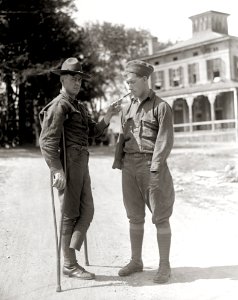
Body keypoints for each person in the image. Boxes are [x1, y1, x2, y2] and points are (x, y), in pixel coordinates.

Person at [39, 57, 119, 280]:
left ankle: (70, 254)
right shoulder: (59, 105)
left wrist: (108, 116)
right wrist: (57, 170)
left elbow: (93, 131)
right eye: (73, 78)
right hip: (68, 163)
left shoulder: (78, 106)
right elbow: (47, 142)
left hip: (82, 162)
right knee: (69, 214)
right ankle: (69, 263)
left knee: (88, 210)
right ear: (62, 79)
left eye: (80, 79)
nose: (77, 82)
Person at [112, 60, 175, 284]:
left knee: (160, 217)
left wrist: (155, 168)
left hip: (151, 166)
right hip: (129, 167)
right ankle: (136, 260)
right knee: (134, 216)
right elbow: (119, 137)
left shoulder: (161, 107)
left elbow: (165, 141)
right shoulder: (125, 107)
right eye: (127, 82)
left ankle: (164, 265)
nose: (128, 86)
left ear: (145, 79)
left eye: (132, 81)